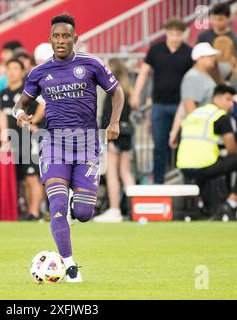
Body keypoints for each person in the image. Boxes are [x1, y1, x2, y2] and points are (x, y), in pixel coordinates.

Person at [12, 14, 124, 282]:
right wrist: (19, 114)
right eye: (56, 37)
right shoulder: (39, 73)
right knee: (58, 203)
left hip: (86, 144)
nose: (61, 41)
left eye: (66, 36)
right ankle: (69, 265)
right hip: (54, 144)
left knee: (84, 213)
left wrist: (114, 121)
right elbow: (21, 103)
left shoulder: (91, 64)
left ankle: (79, 206)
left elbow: (117, 92)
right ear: (50, 39)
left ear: (75, 38)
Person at [130, 18, 193, 184]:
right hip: (159, 104)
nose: (174, 37)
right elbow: (144, 72)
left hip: (181, 105)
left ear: (183, 34)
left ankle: (185, 180)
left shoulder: (188, 53)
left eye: (178, 34)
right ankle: (159, 182)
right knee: (159, 145)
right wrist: (136, 93)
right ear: (166, 34)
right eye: (171, 34)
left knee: (183, 144)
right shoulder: (156, 50)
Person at [176, 85, 237, 220]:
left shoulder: (195, 114)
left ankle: (204, 204)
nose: (230, 104)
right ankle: (230, 203)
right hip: (204, 165)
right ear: (217, 98)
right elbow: (232, 149)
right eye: (227, 99)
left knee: (213, 166)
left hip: (183, 166)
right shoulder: (221, 116)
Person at [0, 58, 44, 221]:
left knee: (32, 176)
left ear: (21, 71)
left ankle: (35, 212)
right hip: (14, 140)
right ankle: (28, 211)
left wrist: (34, 121)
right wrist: (4, 137)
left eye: (16, 69)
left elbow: (43, 104)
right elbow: (2, 116)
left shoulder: (28, 91)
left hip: (28, 137)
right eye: (9, 68)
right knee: (23, 179)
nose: (12, 72)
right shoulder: (4, 93)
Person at [94, 58, 135, 223]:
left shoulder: (113, 92)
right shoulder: (127, 91)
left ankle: (115, 209)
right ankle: (136, 207)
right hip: (125, 135)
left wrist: (107, 141)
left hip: (113, 136)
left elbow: (108, 119)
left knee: (112, 174)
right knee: (125, 173)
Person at [169, 42, 219, 149]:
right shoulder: (193, 77)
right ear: (198, 58)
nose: (213, 59)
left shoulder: (205, 75)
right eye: (209, 56)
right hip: (200, 132)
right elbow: (188, 106)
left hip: (206, 129)